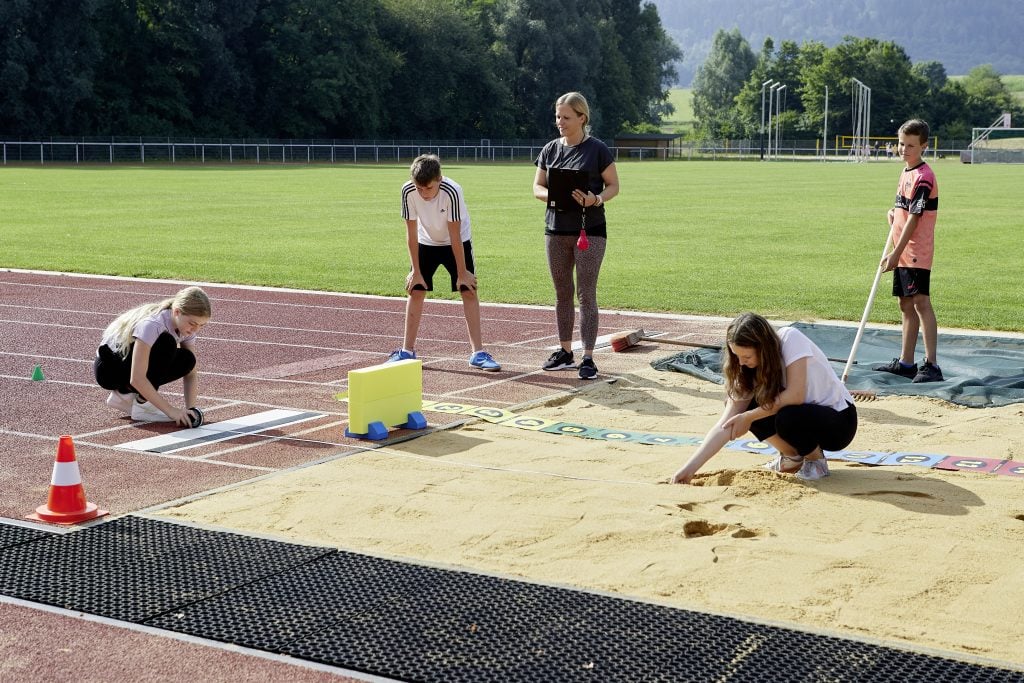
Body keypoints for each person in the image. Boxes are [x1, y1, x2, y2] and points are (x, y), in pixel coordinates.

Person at [671, 313, 857, 484]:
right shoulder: (746, 370)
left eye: (747, 356)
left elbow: (796, 395)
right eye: (736, 356)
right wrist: (688, 469)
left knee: (786, 415)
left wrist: (750, 417)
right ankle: (792, 458)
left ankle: (816, 462)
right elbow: (725, 424)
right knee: (744, 409)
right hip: (803, 423)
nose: (741, 362)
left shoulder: (790, 338)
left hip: (839, 423)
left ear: (763, 347)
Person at [532, 91, 619, 380]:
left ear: (582, 118)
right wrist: (553, 197)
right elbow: (537, 187)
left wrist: (595, 199)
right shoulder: (549, 149)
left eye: (566, 117)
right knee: (562, 293)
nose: (560, 122)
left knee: (586, 293)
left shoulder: (597, 149)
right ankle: (565, 351)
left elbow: (613, 186)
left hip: (589, 231)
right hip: (555, 230)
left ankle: (589, 357)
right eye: (558, 116)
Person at [391, 154, 500, 371]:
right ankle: (407, 351)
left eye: (428, 189)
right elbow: (411, 233)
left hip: (456, 241)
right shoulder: (408, 190)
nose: (424, 194)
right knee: (416, 289)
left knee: (468, 289)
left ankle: (478, 353)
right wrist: (416, 270)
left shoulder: (452, 190)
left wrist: (462, 273)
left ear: (439, 179)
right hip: (425, 241)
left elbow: (455, 233)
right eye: (419, 188)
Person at [873, 119, 943, 383]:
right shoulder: (905, 172)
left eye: (911, 145)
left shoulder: (924, 177)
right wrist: (893, 216)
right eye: (901, 143)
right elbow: (904, 213)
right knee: (905, 304)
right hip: (901, 248)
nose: (904, 149)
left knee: (921, 302)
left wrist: (895, 253)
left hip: (916, 250)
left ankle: (932, 364)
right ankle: (906, 362)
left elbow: (915, 219)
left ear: (923, 146)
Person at [94, 286, 210, 426]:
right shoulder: (153, 324)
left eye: (201, 326)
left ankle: (125, 396)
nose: (195, 330)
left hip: (125, 365)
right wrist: (172, 411)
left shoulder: (185, 328)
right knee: (166, 343)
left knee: (188, 359)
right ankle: (135, 401)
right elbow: (136, 378)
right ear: (177, 312)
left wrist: (191, 409)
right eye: (192, 324)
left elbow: (191, 374)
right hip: (109, 369)